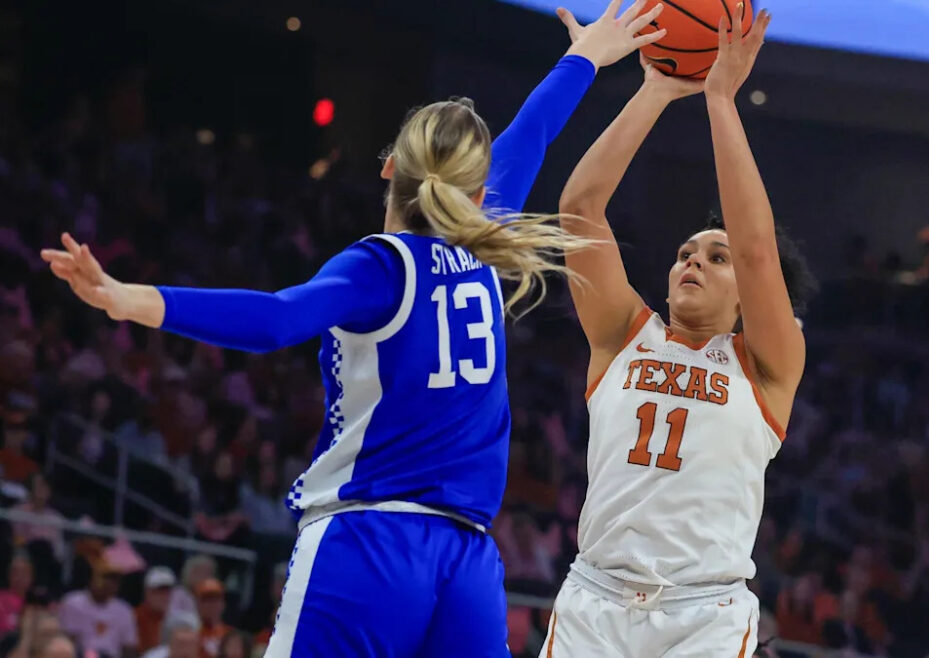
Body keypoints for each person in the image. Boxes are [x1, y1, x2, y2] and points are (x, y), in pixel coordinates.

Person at [42, 2, 665, 655]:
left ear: (389, 166)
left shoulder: (382, 266)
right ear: (479, 196)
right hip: (468, 563)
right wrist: (584, 57)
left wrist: (130, 299)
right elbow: (532, 132)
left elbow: (277, 319)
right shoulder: (484, 242)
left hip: (371, 542)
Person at [541, 5, 818, 656]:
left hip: (704, 616)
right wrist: (656, 90)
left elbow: (757, 251)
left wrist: (720, 100)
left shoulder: (768, 364)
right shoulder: (622, 335)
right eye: (685, 253)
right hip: (594, 603)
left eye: (716, 257)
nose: (693, 260)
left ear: (747, 295)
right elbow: (579, 209)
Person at [57, 560, 137, 658]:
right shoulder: (73, 603)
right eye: (105, 577)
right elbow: (67, 639)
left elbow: (128, 647)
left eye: (115, 580)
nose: (110, 583)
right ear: (91, 578)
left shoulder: (124, 610)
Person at [136, 566, 177, 653]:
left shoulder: (175, 620)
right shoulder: (135, 618)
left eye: (167, 591)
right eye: (159, 591)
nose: (164, 596)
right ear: (147, 592)